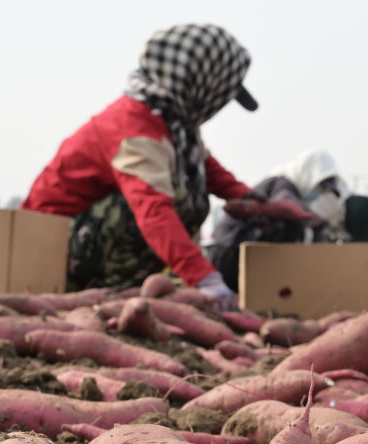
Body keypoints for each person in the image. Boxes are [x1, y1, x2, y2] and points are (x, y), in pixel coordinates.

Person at [21, 23, 303, 309]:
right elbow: (153, 211)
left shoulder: (173, 125)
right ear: (199, 82)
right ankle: (104, 291)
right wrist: (204, 279)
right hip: (49, 247)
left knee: (190, 190)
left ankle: (127, 292)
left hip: (77, 239)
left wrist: (253, 202)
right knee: (177, 200)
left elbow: (208, 170)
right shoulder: (135, 132)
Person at [206, 149, 368, 292]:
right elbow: (289, 207)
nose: (320, 194)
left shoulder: (300, 203)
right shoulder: (281, 184)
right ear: (306, 173)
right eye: (319, 186)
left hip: (247, 255)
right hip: (229, 251)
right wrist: (321, 225)